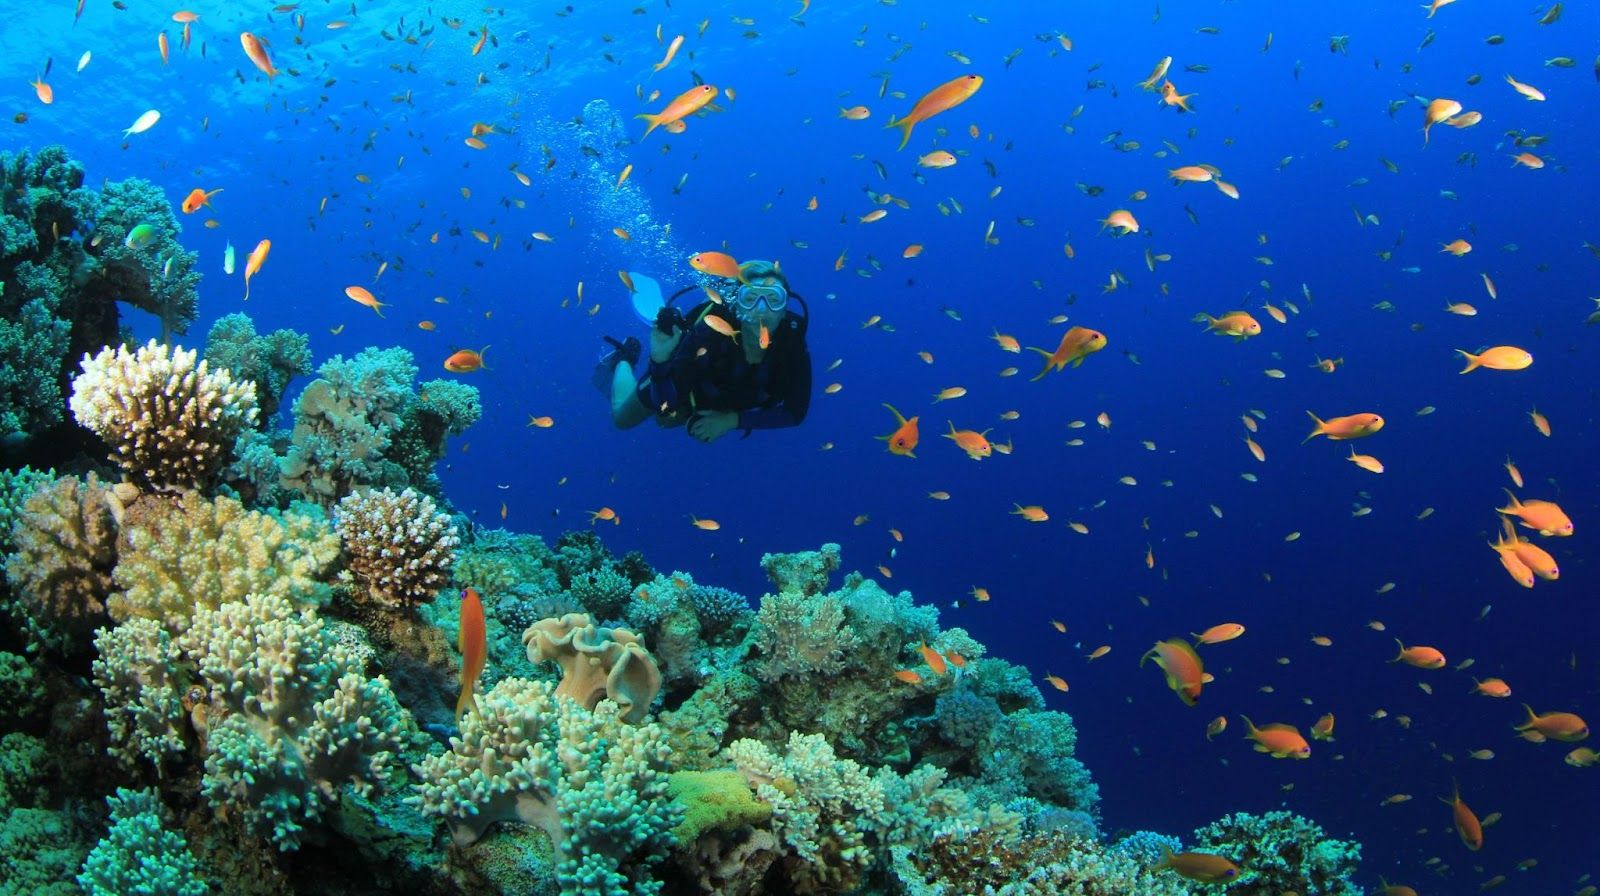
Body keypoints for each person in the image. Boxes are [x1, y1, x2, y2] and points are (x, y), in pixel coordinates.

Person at [596, 260, 812, 442]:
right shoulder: (709, 334)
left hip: (725, 397)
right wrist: (660, 360)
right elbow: (666, 405)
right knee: (627, 420)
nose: (762, 310)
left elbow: (795, 413)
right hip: (688, 388)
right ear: (737, 305)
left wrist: (730, 421)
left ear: (785, 310)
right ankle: (624, 358)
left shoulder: (791, 342)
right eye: (750, 298)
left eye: (774, 300)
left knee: (670, 421)